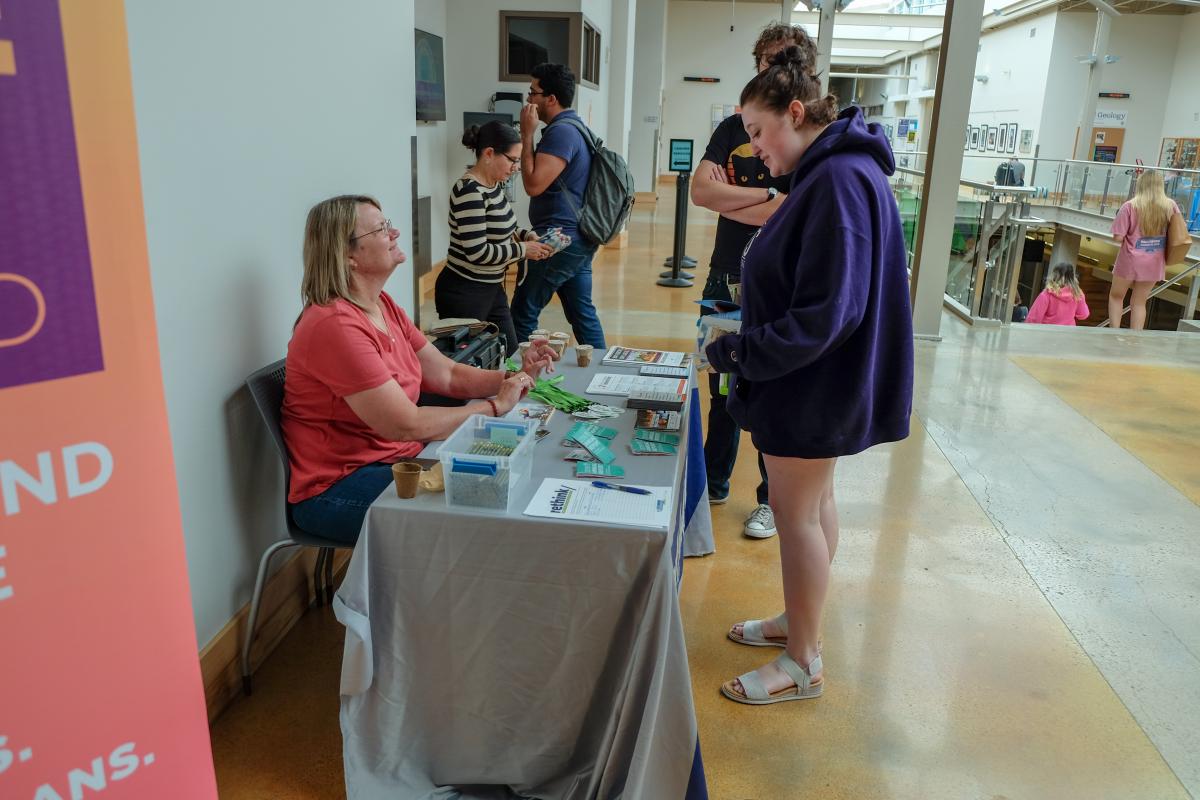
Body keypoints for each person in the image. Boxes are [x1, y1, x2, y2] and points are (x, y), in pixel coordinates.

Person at [705, 43, 914, 705]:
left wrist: (740, 351)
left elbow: (830, 311)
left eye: (761, 133)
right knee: (815, 506)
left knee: (795, 514)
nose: (756, 149)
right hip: (817, 379)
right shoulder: (832, 173)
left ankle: (802, 663)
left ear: (796, 112)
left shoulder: (838, 181)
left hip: (812, 382)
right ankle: (802, 626)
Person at [281, 195, 556, 544]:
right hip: (336, 487)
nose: (394, 231)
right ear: (348, 256)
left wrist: (512, 377)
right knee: (480, 512)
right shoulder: (335, 326)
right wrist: (493, 407)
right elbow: (404, 424)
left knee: (501, 486)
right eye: (381, 229)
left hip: (397, 458)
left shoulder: (381, 305)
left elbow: (448, 375)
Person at [691, 22, 807, 540]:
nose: (771, 73)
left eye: (782, 63)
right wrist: (766, 200)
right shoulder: (736, 125)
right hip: (724, 270)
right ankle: (714, 481)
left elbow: (793, 213)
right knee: (718, 382)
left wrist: (736, 197)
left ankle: (768, 500)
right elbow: (699, 191)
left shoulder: (802, 135)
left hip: (776, 280)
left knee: (769, 384)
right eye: (764, 63)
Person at [511, 62, 606, 349]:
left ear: (550, 99)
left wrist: (526, 133)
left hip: (558, 240)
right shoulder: (575, 127)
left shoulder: (561, 133)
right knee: (583, 315)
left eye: (533, 92)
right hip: (577, 237)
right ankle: (602, 376)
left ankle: (519, 382)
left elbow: (533, 184)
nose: (529, 100)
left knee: (522, 312)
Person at [438, 121, 554, 356]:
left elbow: (505, 227)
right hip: (465, 293)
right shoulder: (469, 192)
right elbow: (478, 252)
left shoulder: (492, 185)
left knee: (509, 355)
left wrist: (526, 235)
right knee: (467, 363)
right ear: (489, 153)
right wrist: (523, 250)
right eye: (512, 160)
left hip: (491, 289)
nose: (517, 167)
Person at [1109, 170, 1181, 330]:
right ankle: (1135, 339)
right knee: (1139, 302)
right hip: (1155, 261)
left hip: (1129, 260)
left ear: (1140, 185)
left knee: (1116, 296)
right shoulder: (1171, 206)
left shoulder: (1129, 206)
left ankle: (1113, 334)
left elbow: (1118, 238)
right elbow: (1178, 232)